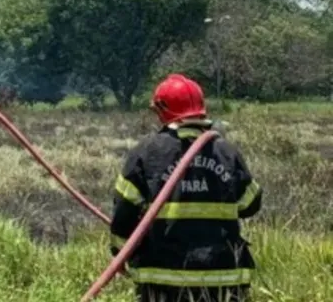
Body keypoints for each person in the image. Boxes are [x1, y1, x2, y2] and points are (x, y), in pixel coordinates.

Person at [110, 73, 262, 302]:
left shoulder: (146, 153)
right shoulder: (226, 152)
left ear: (162, 110)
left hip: (163, 280)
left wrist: (119, 254)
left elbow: (124, 212)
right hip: (222, 279)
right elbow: (251, 204)